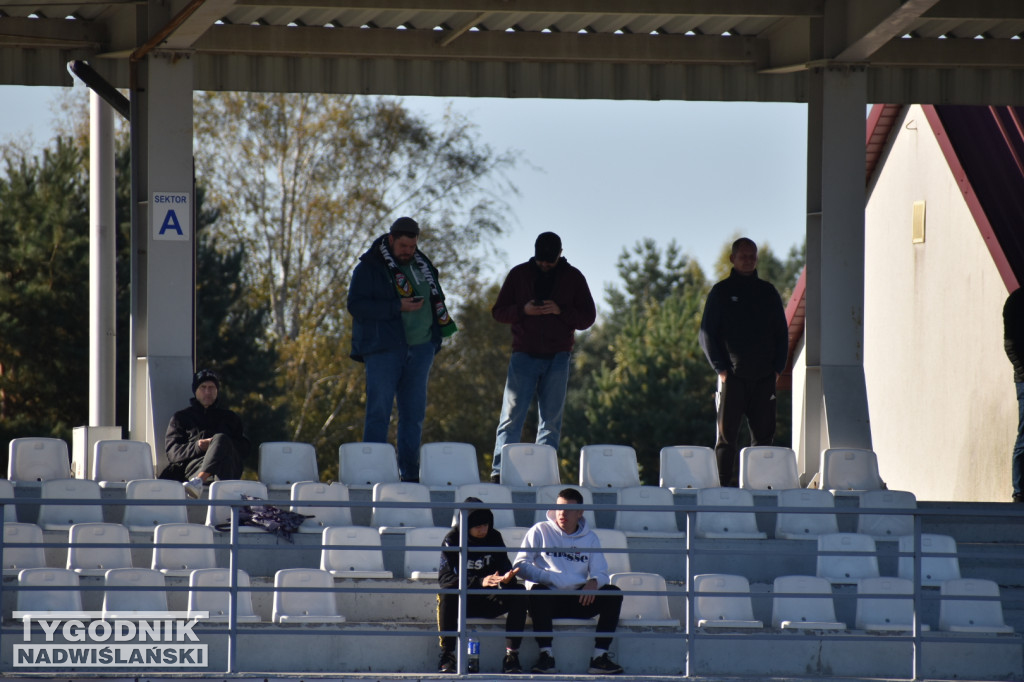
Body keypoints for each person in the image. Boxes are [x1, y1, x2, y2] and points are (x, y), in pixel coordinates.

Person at [347, 217, 456, 482]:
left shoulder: (423, 264)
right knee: (378, 413)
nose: (408, 250)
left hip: (420, 350)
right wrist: (397, 306)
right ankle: (371, 475)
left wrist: (434, 341)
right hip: (383, 349)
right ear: (392, 239)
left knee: (413, 415)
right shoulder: (370, 267)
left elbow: (435, 299)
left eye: (413, 245)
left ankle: (409, 476)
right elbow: (356, 306)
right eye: (404, 245)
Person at [490, 232, 596, 483]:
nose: (545, 265)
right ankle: (499, 472)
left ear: (560, 254)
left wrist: (561, 311)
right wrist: (523, 311)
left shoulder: (574, 277)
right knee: (511, 416)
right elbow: (498, 312)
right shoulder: (519, 274)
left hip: (558, 357)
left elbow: (588, 317)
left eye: (550, 260)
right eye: (541, 261)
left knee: (550, 421)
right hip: (523, 355)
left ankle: (542, 474)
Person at [698, 237, 789, 487]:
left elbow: (782, 335)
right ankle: (723, 489)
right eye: (743, 256)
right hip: (733, 378)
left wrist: (776, 371)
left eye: (752, 256)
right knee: (726, 439)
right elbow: (706, 335)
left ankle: (760, 488)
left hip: (764, 379)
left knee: (763, 440)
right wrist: (722, 370)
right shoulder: (721, 292)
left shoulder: (768, 292)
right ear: (733, 259)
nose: (748, 260)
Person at [513, 487, 624, 675]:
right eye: (559, 508)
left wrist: (594, 582)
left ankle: (599, 657)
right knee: (538, 592)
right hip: (546, 598)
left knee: (613, 594)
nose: (562, 513)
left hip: (578, 598)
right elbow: (520, 565)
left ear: (580, 513)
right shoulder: (540, 530)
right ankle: (546, 655)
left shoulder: (590, 538)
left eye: (569, 509)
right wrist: (547, 577)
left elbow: (602, 572)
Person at [436, 498, 528, 674]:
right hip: (463, 602)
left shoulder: (494, 537)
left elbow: (504, 568)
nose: (483, 529)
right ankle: (447, 655)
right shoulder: (453, 539)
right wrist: (479, 582)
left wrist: (507, 579)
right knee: (446, 594)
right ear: (466, 525)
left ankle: (511, 656)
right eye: (477, 526)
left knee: (519, 592)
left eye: (485, 525)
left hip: (489, 599)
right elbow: (445, 579)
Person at [163, 369, 250, 498]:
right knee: (220, 440)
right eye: (203, 387)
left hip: (227, 467)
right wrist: (198, 446)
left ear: (217, 390)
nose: (207, 392)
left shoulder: (230, 418)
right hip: (195, 467)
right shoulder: (181, 418)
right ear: (195, 391)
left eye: (212, 387)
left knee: (220, 439)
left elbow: (244, 449)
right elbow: (172, 453)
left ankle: (199, 481)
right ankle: (202, 480)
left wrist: (220, 445)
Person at [1003, 287, 1024, 503]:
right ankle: (1019, 490)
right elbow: (1011, 345)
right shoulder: (1017, 302)